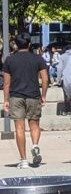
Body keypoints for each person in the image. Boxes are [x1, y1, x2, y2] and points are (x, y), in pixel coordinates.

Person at [2, 32, 49, 169]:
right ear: (29, 44)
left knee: (19, 128)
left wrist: (6, 100)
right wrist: (44, 94)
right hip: (33, 95)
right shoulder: (37, 59)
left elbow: (6, 83)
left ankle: (23, 160)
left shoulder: (10, 60)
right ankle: (35, 145)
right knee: (34, 125)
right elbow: (45, 79)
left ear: (16, 44)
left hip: (16, 96)